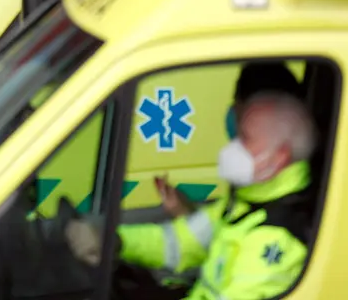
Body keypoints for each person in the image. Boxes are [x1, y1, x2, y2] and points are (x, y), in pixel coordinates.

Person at [67, 91, 319, 299]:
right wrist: (114, 240)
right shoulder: (245, 205)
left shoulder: (279, 238)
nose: (232, 147)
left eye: (245, 138)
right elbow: (179, 242)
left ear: (279, 156)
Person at [156, 62, 305, 218]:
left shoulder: (282, 213)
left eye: (247, 134)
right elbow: (216, 229)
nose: (232, 116)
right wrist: (184, 211)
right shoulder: (255, 190)